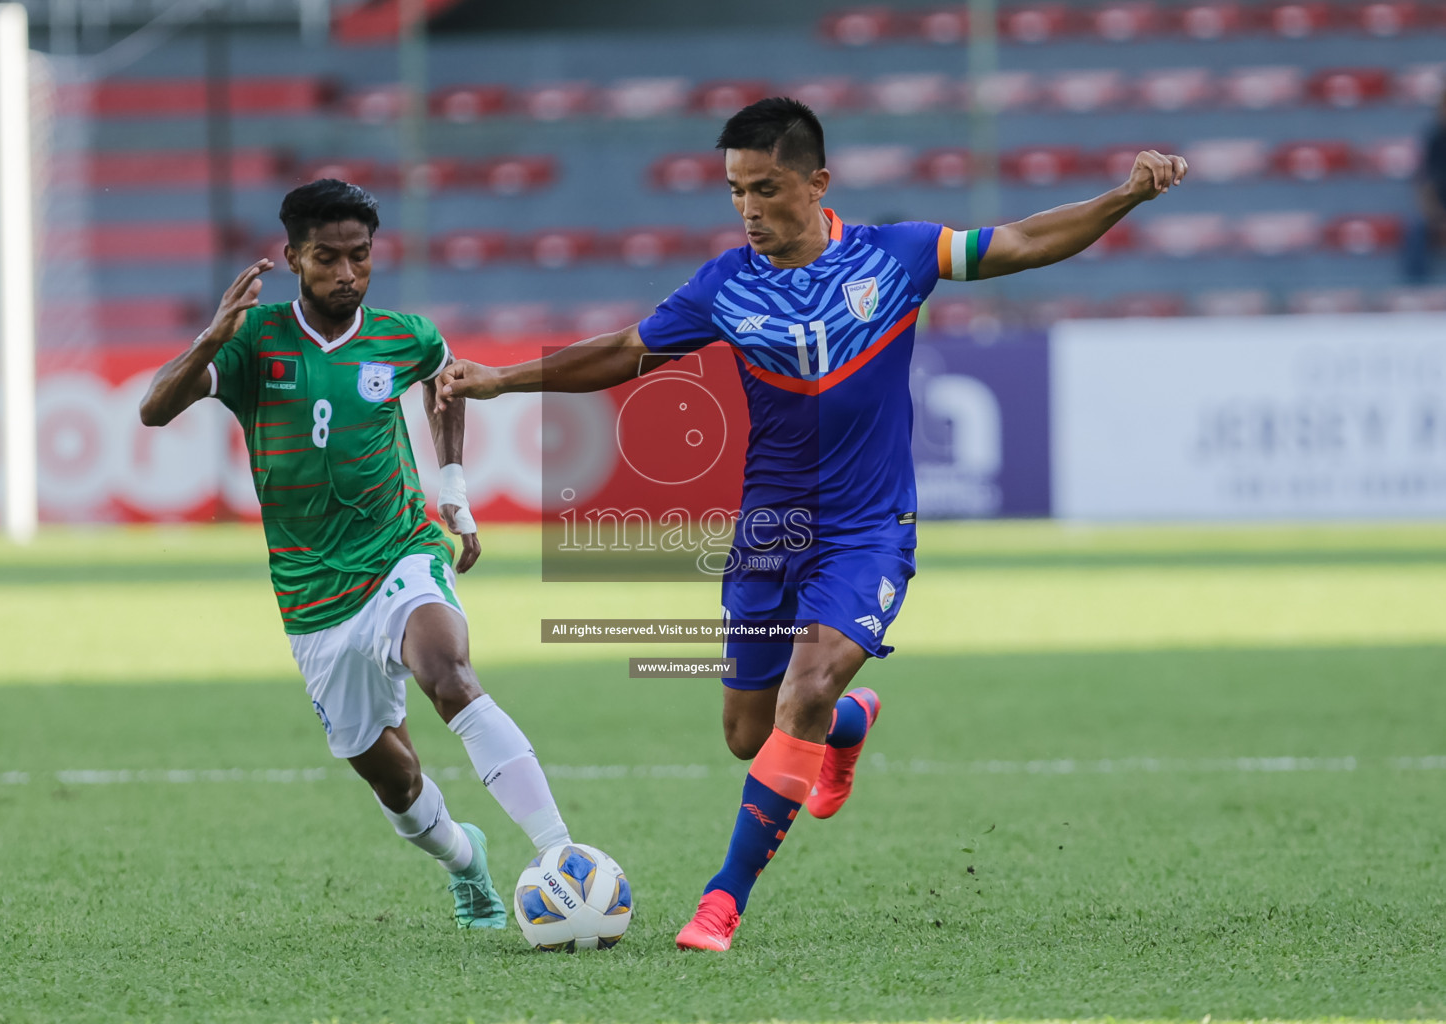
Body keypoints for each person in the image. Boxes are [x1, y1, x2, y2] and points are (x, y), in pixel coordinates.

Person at [437, 98, 1189, 951]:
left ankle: (722, 900)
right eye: (734, 192)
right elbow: (624, 350)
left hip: (868, 529)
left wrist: (1121, 196)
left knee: (804, 689)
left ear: (816, 182)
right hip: (769, 536)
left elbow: (1017, 241)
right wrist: (502, 380)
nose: (749, 209)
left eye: (765, 188)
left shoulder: (897, 255)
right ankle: (850, 723)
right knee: (747, 734)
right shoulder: (725, 285)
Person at [138, 178, 574, 930]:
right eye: (328, 259)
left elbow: (448, 382)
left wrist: (455, 494)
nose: (347, 274)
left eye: (360, 258)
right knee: (393, 778)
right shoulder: (253, 340)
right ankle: (464, 860)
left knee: (450, 672)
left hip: (400, 548)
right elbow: (153, 409)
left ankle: (563, 855)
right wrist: (212, 337)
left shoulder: (404, 334)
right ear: (294, 257)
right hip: (311, 591)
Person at [1403, 89, 1446, 282]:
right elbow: (1424, 182)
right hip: (1439, 205)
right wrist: (1436, 214)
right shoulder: (1434, 139)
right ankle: (1416, 287)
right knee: (1417, 228)